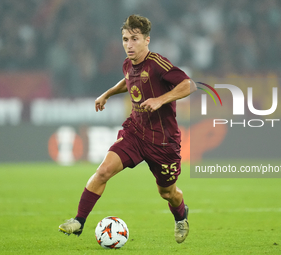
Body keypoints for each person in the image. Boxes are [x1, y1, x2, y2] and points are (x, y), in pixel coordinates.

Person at [59, 14, 196, 244]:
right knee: (103, 171)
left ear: (147, 40)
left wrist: (161, 99)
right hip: (135, 132)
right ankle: (79, 221)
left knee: (167, 193)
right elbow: (128, 80)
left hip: (164, 142)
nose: (129, 45)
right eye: (125, 39)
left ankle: (181, 215)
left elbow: (188, 84)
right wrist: (107, 93)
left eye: (134, 39)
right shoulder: (127, 63)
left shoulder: (157, 64)